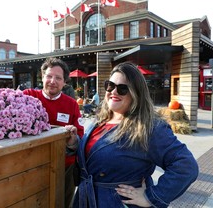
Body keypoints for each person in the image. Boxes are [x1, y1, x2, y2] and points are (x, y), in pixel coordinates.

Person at [66, 62, 199, 208]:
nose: (114, 92)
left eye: (123, 89)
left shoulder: (149, 127)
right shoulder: (100, 120)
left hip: (115, 203)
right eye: (110, 85)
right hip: (86, 199)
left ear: (136, 94)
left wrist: (152, 197)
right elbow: (95, 156)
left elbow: (186, 166)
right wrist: (75, 144)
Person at [22, 57, 84, 208]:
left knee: (62, 203)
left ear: (64, 82)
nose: (52, 81)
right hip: (31, 165)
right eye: (49, 76)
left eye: (58, 78)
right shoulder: (27, 96)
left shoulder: (71, 105)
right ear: (42, 77)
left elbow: (80, 137)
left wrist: (73, 141)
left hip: (64, 166)